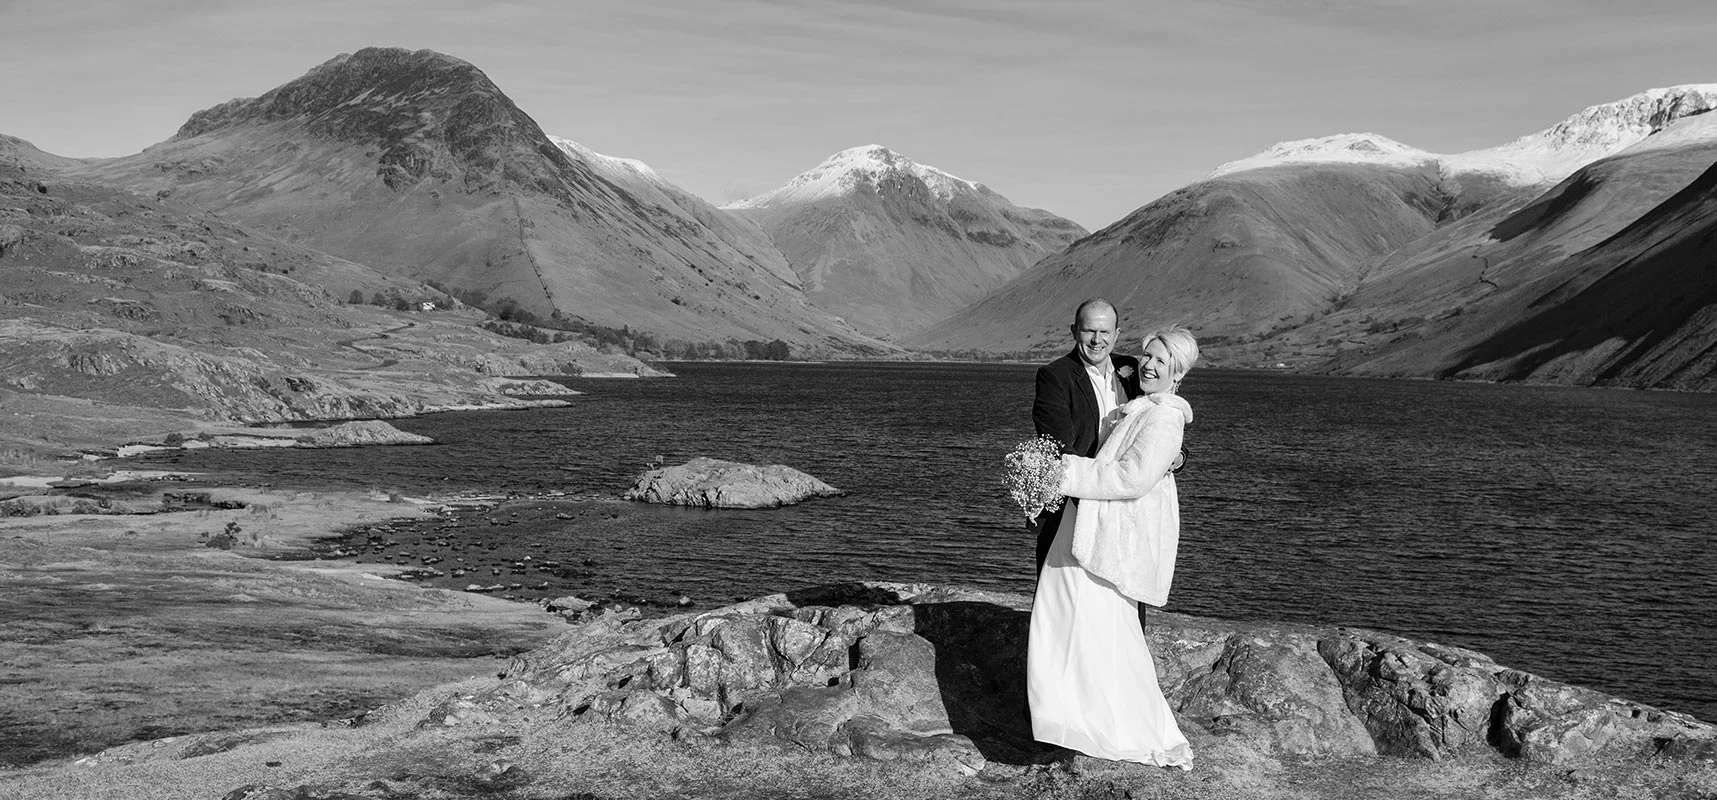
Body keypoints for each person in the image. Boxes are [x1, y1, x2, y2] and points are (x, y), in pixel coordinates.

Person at [1026, 326, 1199, 768]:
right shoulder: (1139, 398)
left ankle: (1101, 725)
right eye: (1147, 356)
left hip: (1110, 532)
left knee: (1094, 628)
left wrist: (1061, 473)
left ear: (1178, 373)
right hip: (1089, 523)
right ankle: (1068, 719)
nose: (1149, 365)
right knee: (1069, 622)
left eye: (1161, 361)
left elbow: (1132, 477)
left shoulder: (1163, 416)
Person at [1030, 298, 1141, 572]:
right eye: (1089, 330)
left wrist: (1175, 456)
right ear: (1074, 331)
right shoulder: (1054, 377)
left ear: (1117, 334)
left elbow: (1156, 417)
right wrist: (1099, 504)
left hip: (1127, 510)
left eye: (1104, 332)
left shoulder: (1132, 370)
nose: (1096, 340)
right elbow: (1059, 448)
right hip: (1074, 508)